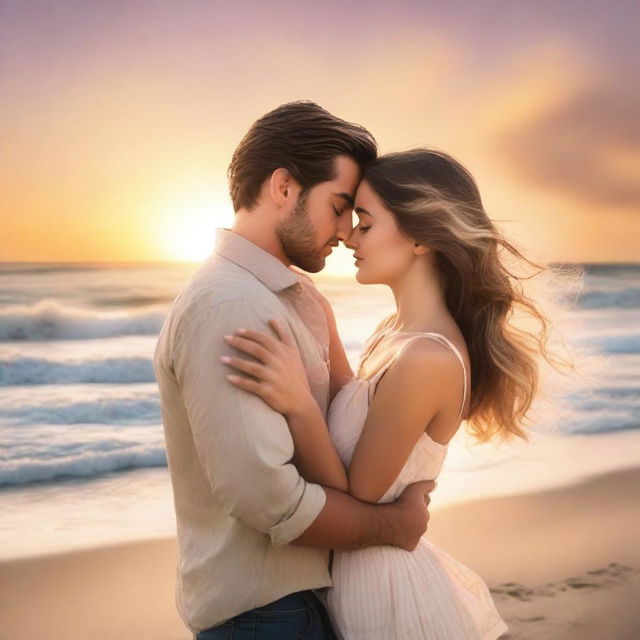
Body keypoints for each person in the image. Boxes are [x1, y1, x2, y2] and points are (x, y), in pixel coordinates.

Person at [223, 148, 570, 638]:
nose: (347, 236)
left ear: (422, 237)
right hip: (355, 585)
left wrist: (297, 403)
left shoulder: (426, 358)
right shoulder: (396, 335)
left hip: (386, 598)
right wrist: (318, 314)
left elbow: (357, 493)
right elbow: (353, 401)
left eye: (365, 223)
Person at [153, 102, 437, 639]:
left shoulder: (297, 297)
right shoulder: (228, 305)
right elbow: (266, 497)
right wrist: (392, 525)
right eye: (339, 206)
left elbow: (346, 436)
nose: (347, 231)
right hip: (262, 614)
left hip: (307, 599)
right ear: (283, 187)